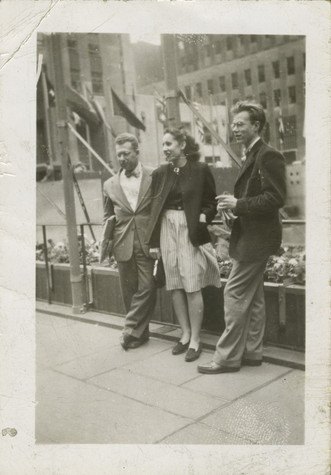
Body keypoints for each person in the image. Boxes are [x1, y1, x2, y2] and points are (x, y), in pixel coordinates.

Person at [198, 101, 286, 374]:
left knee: (234, 292)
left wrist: (238, 205)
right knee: (254, 296)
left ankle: (226, 358)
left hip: (256, 240)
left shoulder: (267, 155)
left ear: (256, 126)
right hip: (254, 235)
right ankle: (252, 352)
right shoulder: (254, 154)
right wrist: (235, 210)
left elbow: (275, 198)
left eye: (240, 124)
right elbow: (256, 198)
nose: (234, 129)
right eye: (233, 124)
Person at [147, 128, 221, 362]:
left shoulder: (200, 169)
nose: (165, 148)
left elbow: (211, 202)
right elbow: (154, 210)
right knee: (175, 283)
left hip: (189, 228)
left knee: (191, 282)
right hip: (167, 228)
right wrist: (153, 242)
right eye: (163, 144)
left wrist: (202, 217)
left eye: (169, 143)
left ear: (182, 144)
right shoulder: (160, 173)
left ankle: (196, 339)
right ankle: (185, 334)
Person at [103, 133, 156, 350]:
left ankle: (129, 328)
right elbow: (107, 215)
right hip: (122, 243)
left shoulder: (154, 175)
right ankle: (139, 335)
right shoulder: (109, 184)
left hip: (147, 240)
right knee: (129, 291)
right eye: (119, 155)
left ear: (137, 152)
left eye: (126, 153)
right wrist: (107, 243)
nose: (122, 158)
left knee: (148, 286)